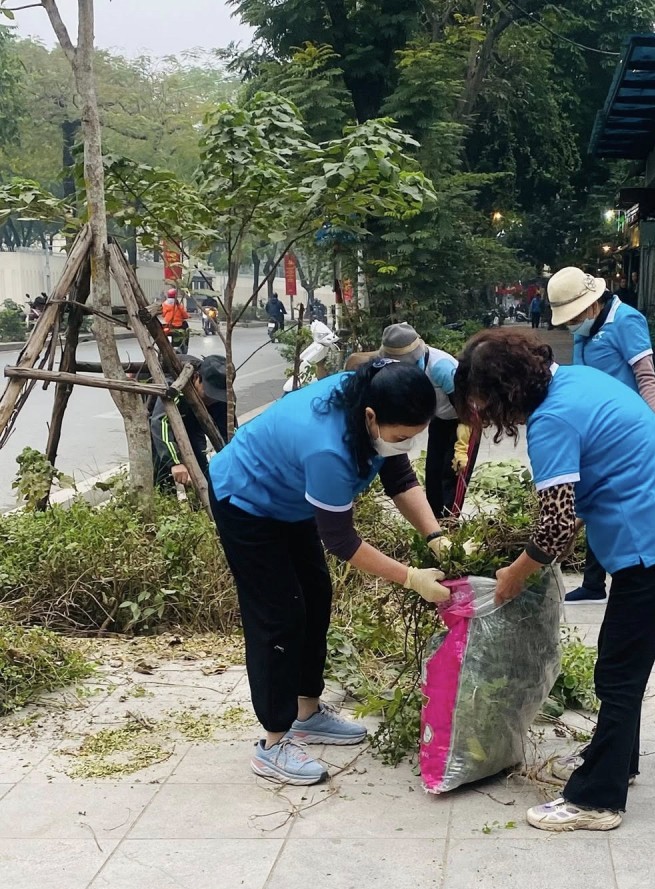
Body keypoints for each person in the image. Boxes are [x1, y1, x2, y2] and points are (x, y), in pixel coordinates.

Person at [453, 329, 655, 832]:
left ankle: (597, 800)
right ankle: (618, 762)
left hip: (646, 549)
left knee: (617, 674)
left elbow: (556, 526)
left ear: (507, 393)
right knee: (621, 662)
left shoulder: (553, 421)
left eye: (486, 403)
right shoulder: (580, 380)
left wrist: (515, 574)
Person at [208, 359, 453, 785]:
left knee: (316, 595)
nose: (406, 445)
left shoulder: (373, 398)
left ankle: (306, 712)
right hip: (246, 499)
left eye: (415, 437)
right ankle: (273, 741)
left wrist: (436, 536)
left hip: (290, 498)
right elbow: (342, 542)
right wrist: (412, 577)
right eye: (402, 437)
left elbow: (399, 477)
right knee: (279, 616)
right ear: (372, 419)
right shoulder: (328, 447)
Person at [548, 266, 655, 606]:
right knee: (595, 502)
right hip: (593, 430)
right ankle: (594, 582)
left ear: (592, 302)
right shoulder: (583, 328)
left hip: (625, 431)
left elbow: (647, 378)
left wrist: (649, 430)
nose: (572, 323)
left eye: (574, 316)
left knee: (619, 505)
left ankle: (634, 572)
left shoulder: (626, 320)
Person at [379, 323, 468, 519]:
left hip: (463, 421)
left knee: (452, 473)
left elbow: (467, 410)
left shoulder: (440, 367)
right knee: (433, 471)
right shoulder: (402, 367)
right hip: (440, 419)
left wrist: (462, 446)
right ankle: (434, 521)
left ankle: (450, 523)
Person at [151, 354, 230, 493]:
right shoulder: (176, 385)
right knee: (164, 471)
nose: (212, 400)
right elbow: (160, 422)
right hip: (164, 421)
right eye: (208, 394)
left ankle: (200, 501)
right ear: (196, 378)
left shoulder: (223, 396)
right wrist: (174, 462)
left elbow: (228, 430)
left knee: (200, 463)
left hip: (195, 423)